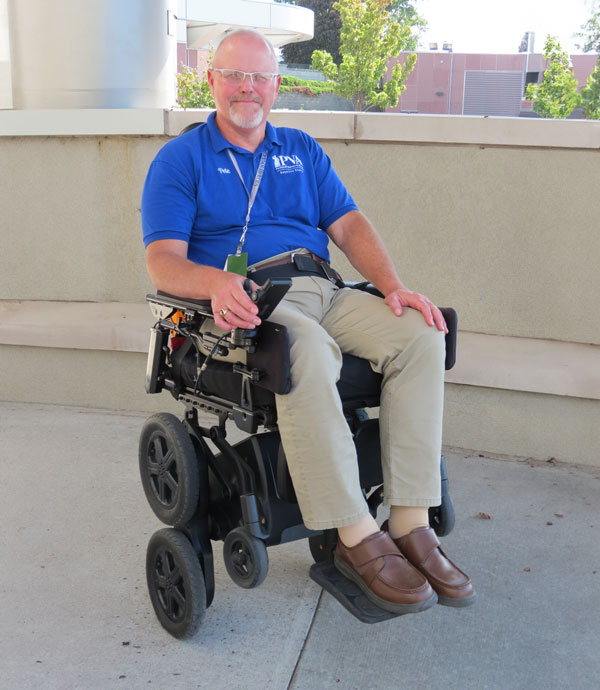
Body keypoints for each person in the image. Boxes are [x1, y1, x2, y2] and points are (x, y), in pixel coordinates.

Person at [141, 28, 475, 614]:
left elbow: (347, 224)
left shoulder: (301, 149)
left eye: (260, 77)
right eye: (235, 75)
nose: (248, 88)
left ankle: (410, 522)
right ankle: (353, 536)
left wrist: (395, 288)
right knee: (306, 352)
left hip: (324, 285)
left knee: (422, 335)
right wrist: (217, 281)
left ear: (275, 85)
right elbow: (162, 259)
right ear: (213, 81)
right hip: (249, 301)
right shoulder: (180, 159)